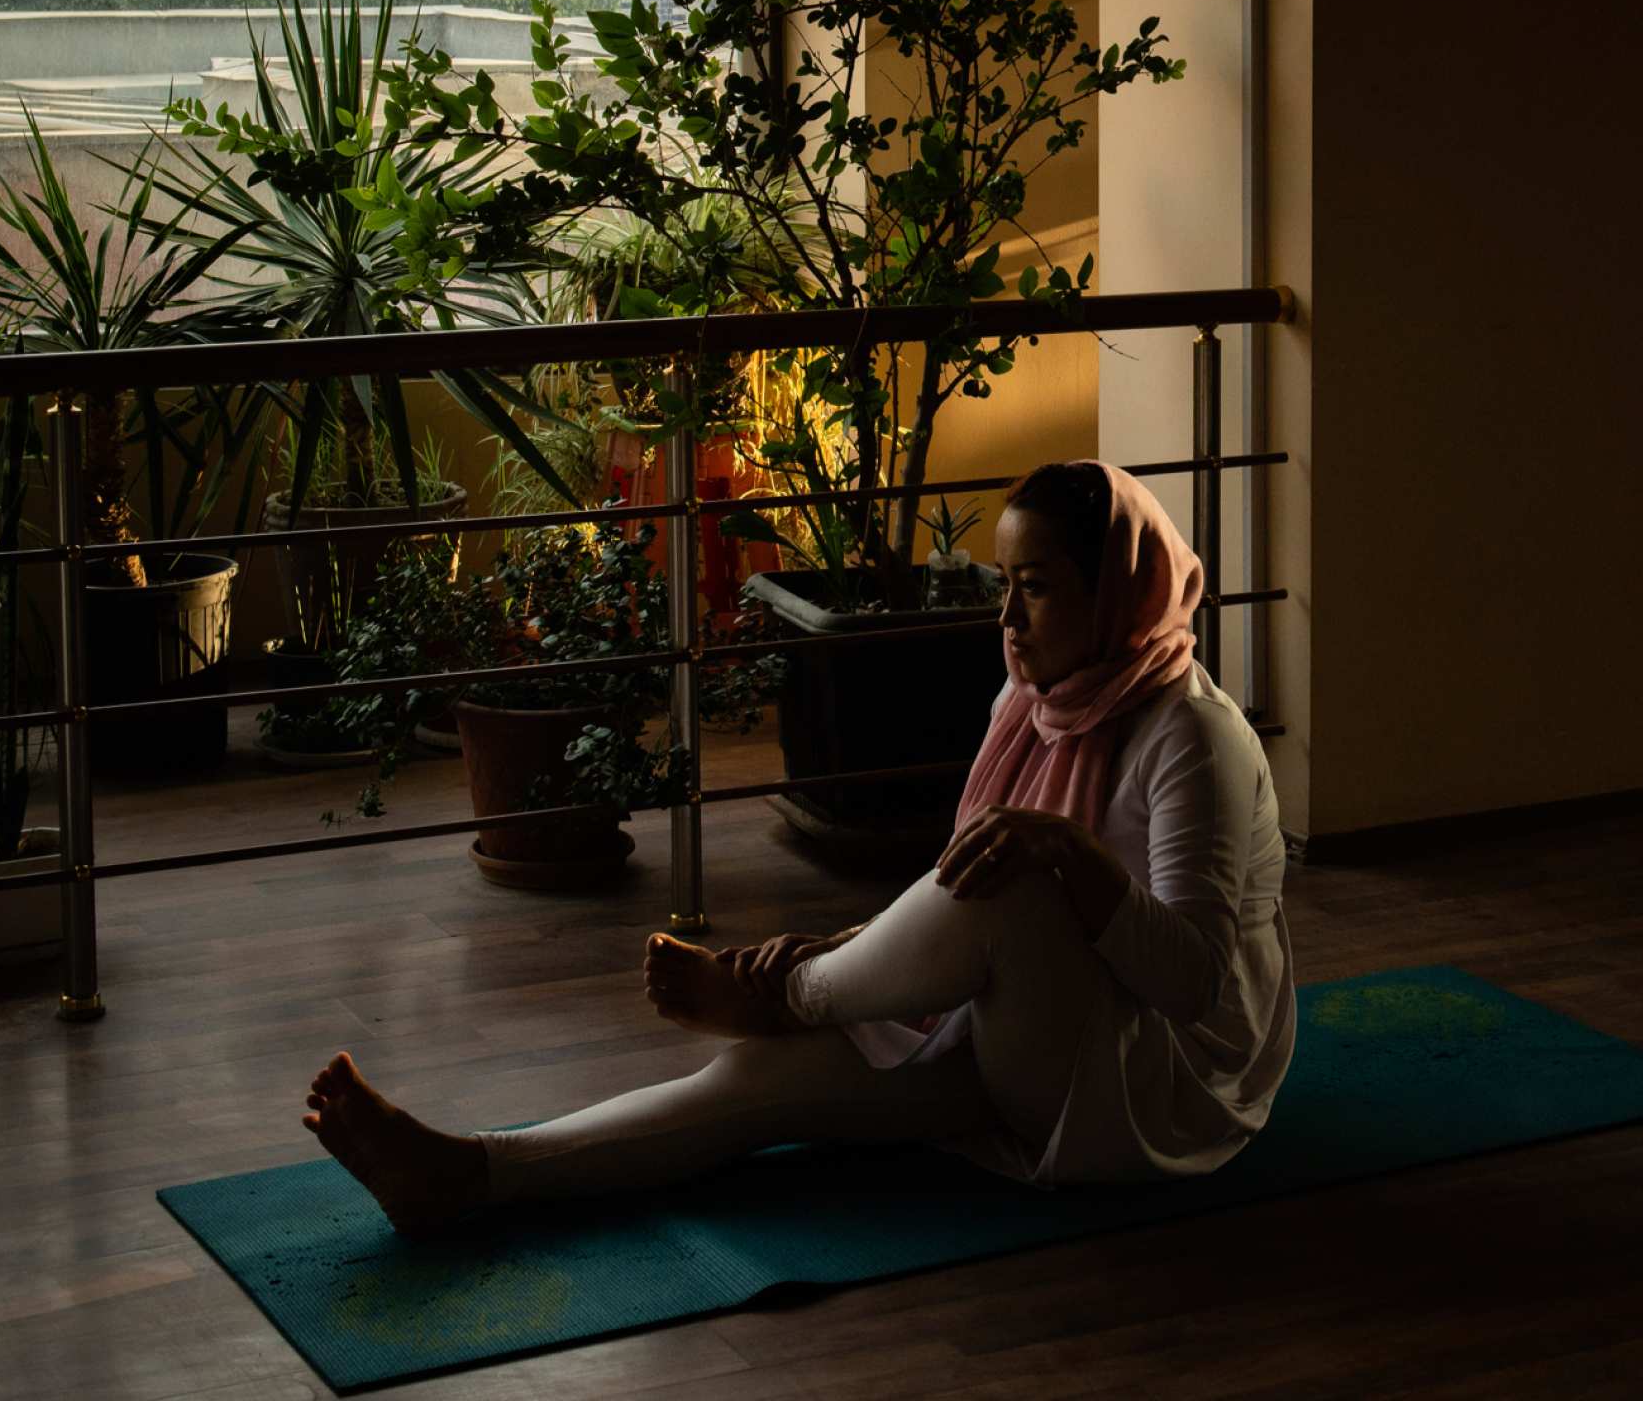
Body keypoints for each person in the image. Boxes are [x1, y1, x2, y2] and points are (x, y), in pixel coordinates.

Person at [301, 460, 1296, 1233]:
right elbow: (964, 906)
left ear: (1116, 594)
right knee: (752, 1089)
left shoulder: (1189, 735)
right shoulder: (1032, 699)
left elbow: (1199, 985)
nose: (1004, 618)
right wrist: (867, 938)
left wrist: (1072, 859)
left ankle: (789, 992)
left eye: (1032, 589)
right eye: (1003, 584)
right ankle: (469, 1170)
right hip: (1035, 1033)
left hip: (1163, 1088)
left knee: (1022, 867)